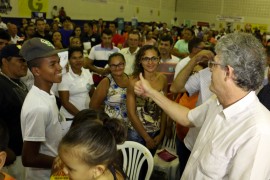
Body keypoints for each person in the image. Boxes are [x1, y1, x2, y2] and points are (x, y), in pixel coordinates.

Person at [134, 33, 270, 179]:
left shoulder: (258, 131)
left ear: (228, 72)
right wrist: (151, 93)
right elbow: (187, 117)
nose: (210, 69)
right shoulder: (218, 101)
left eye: (214, 64)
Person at [20, 37, 64, 180]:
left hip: (54, 173)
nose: (59, 67)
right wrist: (65, 162)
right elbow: (29, 158)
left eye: (58, 61)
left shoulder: (48, 93)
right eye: (52, 64)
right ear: (36, 71)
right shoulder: (38, 107)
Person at [58, 114, 127, 180]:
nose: (64, 170)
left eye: (70, 168)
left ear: (97, 170)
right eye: (63, 164)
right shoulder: (102, 165)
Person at [126, 45, 167, 152]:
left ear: (159, 59)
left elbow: (165, 109)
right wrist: (147, 138)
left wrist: (161, 133)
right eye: (146, 59)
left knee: (148, 166)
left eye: (154, 58)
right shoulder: (133, 81)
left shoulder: (163, 79)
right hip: (137, 133)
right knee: (134, 167)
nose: (150, 62)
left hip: (156, 132)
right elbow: (131, 113)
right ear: (140, 61)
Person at [0, 44, 28, 180]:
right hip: (11, 156)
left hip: (23, 153)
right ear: (5, 61)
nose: (25, 64)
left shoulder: (19, 82)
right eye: (20, 60)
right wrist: (4, 148)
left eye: (25, 60)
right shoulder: (1, 85)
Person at [58, 47, 95, 134]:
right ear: (69, 60)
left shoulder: (87, 72)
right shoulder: (64, 76)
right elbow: (64, 102)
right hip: (70, 119)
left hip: (86, 117)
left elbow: (92, 94)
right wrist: (81, 116)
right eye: (74, 58)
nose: (78, 60)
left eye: (80, 57)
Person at [90, 53, 129, 124]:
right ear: (109, 67)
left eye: (120, 64)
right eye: (113, 65)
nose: (117, 68)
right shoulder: (106, 82)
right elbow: (93, 106)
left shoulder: (130, 79)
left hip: (131, 126)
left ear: (124, 64)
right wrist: (106, 120)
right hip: (113, 127)